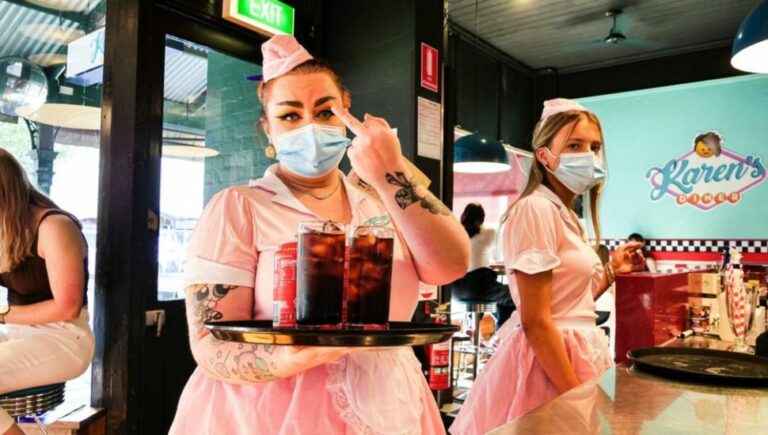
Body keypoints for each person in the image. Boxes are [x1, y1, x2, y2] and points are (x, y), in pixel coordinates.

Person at [169, 35, 470, 434]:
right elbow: (209, 344)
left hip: (388, 401)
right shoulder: (239, 206)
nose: (310, 126)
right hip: (271, 411)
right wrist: (295, 357)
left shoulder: (383, 198)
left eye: (325, 111)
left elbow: (451, 265)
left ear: (347, 113)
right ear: (267, 132)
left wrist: (389, 172)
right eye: (290, 116)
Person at [450, 98, 643, 434]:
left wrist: (612, 270)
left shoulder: (564, 213)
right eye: (574, 145)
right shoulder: (535, 209)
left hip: (574, 353)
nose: (588, 155)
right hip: (548, 364)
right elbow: (537, 322)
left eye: (594, 147)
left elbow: (567, 302)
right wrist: (576, 400)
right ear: (544, 155)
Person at [0, 148, 94, 435]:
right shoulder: (7, 230)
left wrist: (3, 314)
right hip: (19, 335)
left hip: (64, 338)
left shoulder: (54, 227)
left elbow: (67, 307)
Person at [453, 203, 515, 326]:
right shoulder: (490, 231)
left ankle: (473, 326)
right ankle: (501, 332)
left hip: (456, 289)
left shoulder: (457, 233)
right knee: (513, 296)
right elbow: (497, 257)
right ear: (482, 218)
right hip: (478, 286)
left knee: (488, 293)